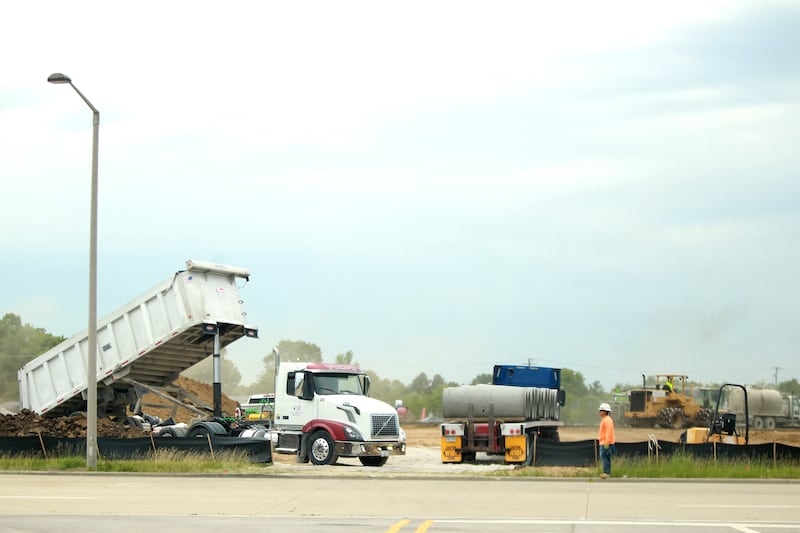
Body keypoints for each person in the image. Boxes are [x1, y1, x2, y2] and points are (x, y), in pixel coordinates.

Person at [598, 402, 616, 479]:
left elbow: (609, 431)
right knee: (606, 457)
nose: (599, 412)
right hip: (606, 442)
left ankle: (606, 473)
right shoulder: (606, 419)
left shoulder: (607, 420)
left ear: (605, 411)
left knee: (604, 457)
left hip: (605, 442)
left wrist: (607, 442)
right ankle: (608, 473)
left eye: (601, 410)